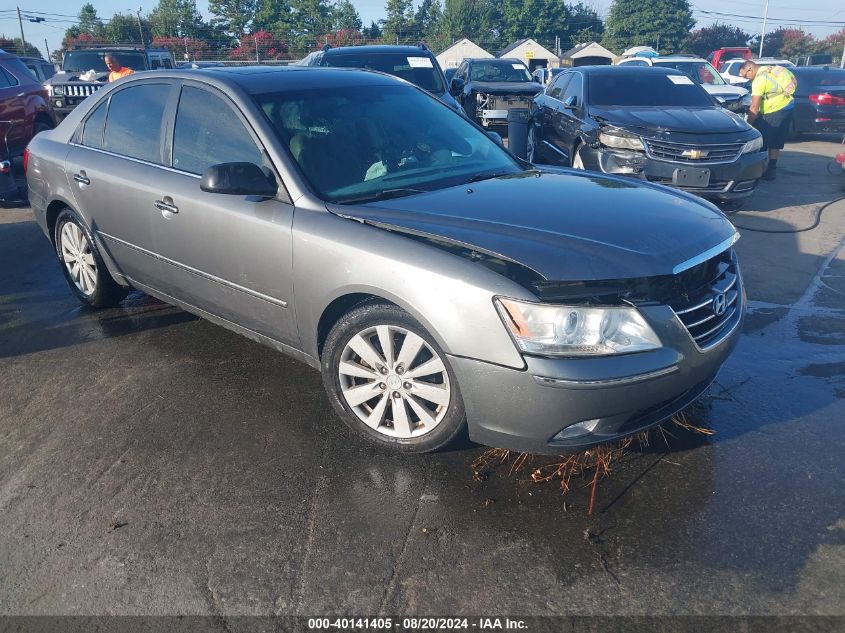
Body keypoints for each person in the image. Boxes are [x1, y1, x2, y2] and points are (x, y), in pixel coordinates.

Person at [739, 60, 797, 181]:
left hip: (773, 111)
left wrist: (748, 126)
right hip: (787, 107)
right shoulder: (771, 69)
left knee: (761, 141)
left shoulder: (759, 79)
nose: (746, 79)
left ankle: (759, 171)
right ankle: (772, 169)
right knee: (776, 140)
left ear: (750, 69)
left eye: (745, 75)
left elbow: (754, 107)